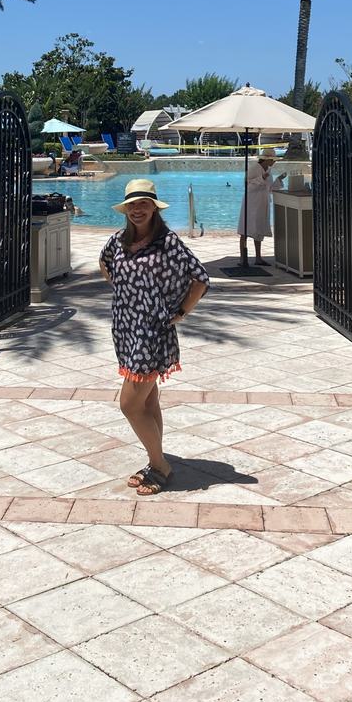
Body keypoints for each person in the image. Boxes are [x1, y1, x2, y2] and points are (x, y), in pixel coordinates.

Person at [99, 178, 209, 496]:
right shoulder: (118, 241)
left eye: (143, 203)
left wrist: (181, 312)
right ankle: (154, 459)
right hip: (125, 330)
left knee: (129, 404)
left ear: (153, 207)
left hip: (152, 334)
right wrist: (125, 292)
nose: (137, 209)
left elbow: (199, 278)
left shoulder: (167, 242)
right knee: (147, 400)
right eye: (132, 204)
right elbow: (104, 263)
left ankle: (159, 464)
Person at [237, 148, 285, 265]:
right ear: (267, 159)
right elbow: (247, 184)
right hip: (251, 202)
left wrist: (279, 180)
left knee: (258, 229)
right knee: (245, 229)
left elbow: (269, 188)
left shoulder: (268, 170)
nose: (274, 162)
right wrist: (261, 178)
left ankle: (258, 257)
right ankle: (243, 258)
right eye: (273, 160)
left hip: (261, 203)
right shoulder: (254, 168)